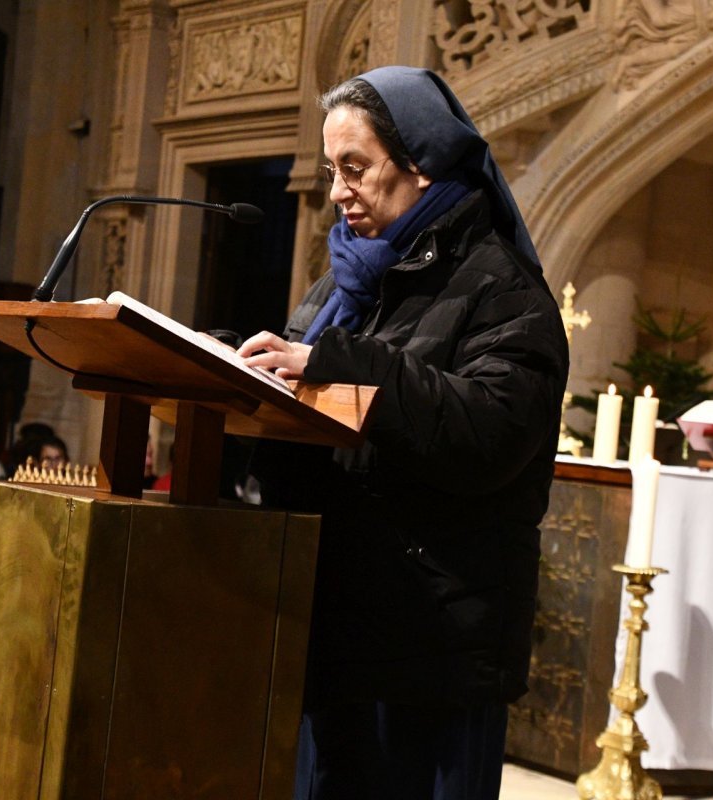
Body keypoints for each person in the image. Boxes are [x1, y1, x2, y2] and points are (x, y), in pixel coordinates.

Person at [237, 66, 568, 799]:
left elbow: (490, 436)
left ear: (419, 165)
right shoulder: (343, 283)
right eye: (331, 171)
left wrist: (341, 365)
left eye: (354, 169)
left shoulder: (503, 288)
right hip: (334, 624)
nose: (336, 191)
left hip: (432, 648)